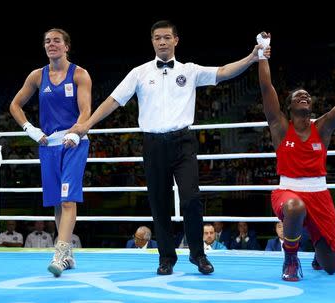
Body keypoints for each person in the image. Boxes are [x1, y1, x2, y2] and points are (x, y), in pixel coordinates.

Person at [69, 20, 261, 275]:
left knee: (192, 199)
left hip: (183, 143)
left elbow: (224, 71)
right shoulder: (138, 73)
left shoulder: (190, 70)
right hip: (153, 144)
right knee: (159, 204)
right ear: (152, 41)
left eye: (166, 37)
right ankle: (166, 258)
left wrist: (251, 57)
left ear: (175, 40)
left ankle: (198, 255)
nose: (162, 41)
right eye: (157, 37)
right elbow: (113, 100)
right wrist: (87, 124)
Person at [257, 32, 335, 281]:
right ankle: (290, 260)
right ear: (289, 106)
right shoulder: (280, 127)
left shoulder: (322, 127)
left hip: (320, 196)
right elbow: (266, 86)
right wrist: (262, 52)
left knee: (330, 267)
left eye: (307, 96)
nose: (304, 96)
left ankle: (316, 250)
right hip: (288, 192)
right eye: (298, 95)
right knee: (294, 206)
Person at [9, 28, 91, 277]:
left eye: (56, 40)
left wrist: (76, 132)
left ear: (67, 46)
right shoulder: (37, 76)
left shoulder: (79, 74)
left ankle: (60, 252)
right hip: (48, 146)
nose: (51, 44)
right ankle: (69, 256)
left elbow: (86, 111)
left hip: (74, 143)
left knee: (68, 200)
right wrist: (30, 129)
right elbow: (15, 105)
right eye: (47, 41)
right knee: (57, 203)